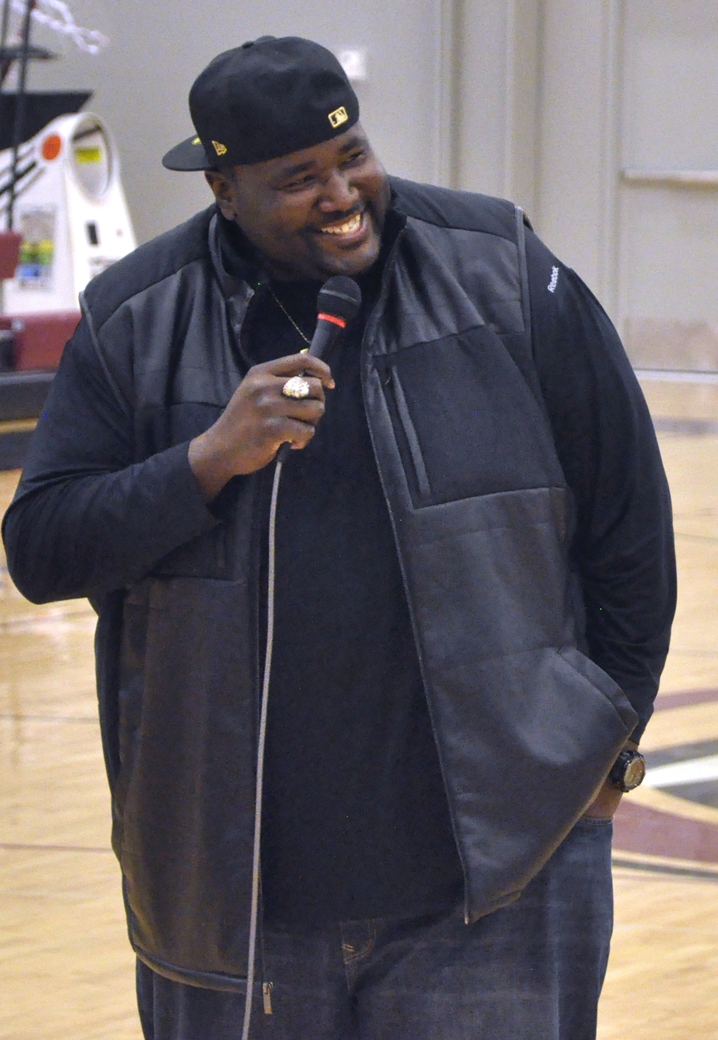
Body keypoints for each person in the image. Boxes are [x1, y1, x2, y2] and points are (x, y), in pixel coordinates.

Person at [2, 36, 675, 1040]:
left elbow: (629, 527)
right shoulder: (135, 318)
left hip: (498, 884)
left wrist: (605, 751)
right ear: (224, 190)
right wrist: (207, 459)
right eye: (298, 178)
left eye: (351, 155)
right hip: (236, 902)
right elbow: (43, 547)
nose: (343, 193)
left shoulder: (502, 271)